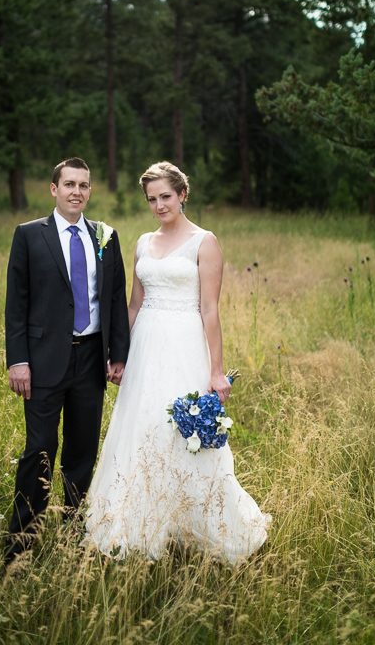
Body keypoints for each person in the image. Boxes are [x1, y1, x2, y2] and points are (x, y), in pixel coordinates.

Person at [84, 162, 271, 565]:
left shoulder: (205, 242)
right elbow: (134, 304)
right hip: (145, 347)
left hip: (185, 344)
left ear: (182, 194)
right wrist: (118, 356)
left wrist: (216, 370)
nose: (158, 205)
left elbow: (209, 310)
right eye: (151, 199)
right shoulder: (142, 242)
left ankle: (203, 525)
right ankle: (136, 526)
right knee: (143, 429)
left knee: (181, 434)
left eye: (165, 196)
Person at [4, 157, 130, 567]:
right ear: (54, 189)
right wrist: (18, 360)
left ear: (90, 191)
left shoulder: (106, 236)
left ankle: (75, 536)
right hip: (42, 362)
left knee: (81, 453)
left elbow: (114, 299)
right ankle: (19, 546)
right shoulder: (28, 235)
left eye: (84, 185)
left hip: (91, 359)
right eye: (69, 184)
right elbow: (16, 303)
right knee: (39, 451)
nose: (77, 191)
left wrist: (118, 355)